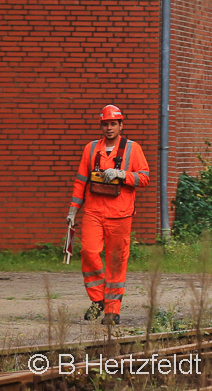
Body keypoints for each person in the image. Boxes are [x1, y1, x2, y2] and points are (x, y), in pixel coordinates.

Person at [66, 105, 150, 326]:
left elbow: (144, 178)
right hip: (94, 211)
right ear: (101, 126)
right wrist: (73, 209)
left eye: (113, 124)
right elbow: (81, 181)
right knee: (88, 252)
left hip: (121, 214)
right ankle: (98, 300)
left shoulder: (133, 149)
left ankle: (112, 310)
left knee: (116, 261)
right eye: (105, 124)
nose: (109, 128)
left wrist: (123, 174)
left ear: (121, 125)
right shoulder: (91, 148)